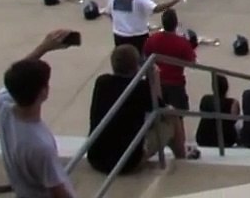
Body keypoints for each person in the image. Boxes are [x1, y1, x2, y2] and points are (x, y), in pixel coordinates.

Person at [0, 29, 78, 198]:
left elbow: (16, 76)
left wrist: (43, 48)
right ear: (43, 93)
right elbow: (58, 191)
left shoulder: (3, 106)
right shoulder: (39, 145)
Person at [86, 45, 181, 174]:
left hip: (95, 156)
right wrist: (154, 79)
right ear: (137, 66)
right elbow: (160, 111)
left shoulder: (102, 82)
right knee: (172, 115)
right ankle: (182, 156)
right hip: (127, 162)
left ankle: (178, 151)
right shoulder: (140, 88)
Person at [143, 10, 198, 160]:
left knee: (157, 116)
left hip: (156, 83)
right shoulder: (182, 43)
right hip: (175, 84)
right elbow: (191, 62)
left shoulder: (153, 39)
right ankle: (180, 149)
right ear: (175, 24)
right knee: (177, 119)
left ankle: (159, 143)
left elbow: (146, 57)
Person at [106, 0, 182, 51]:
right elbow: (156, 9)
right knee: (142, 59)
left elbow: (109, 13)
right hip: (138, 36)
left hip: (119, 35)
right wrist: (173, 2)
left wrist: (118, 25)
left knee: (123, 58)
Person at [195, 75, 240, 149]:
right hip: (226, 139)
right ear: (227, 87)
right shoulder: (233, 102)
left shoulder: (205, 99)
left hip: (203, 138)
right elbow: (234, 120)